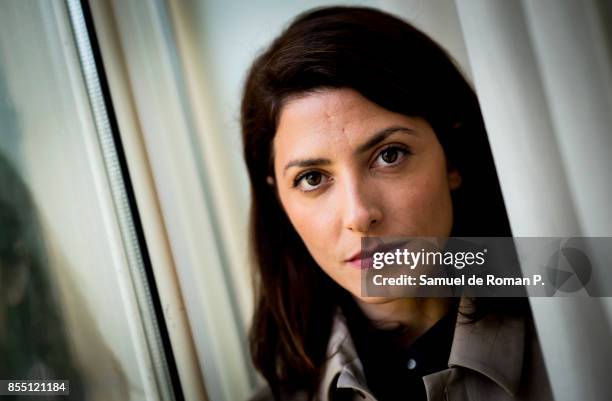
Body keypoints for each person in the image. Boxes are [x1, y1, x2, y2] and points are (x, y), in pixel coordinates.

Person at [241, 6, 553, 401]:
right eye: (313, 178)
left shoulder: (582, 340)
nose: (358, 214)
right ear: (279, 201)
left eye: (390, 155)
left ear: (452, 156)